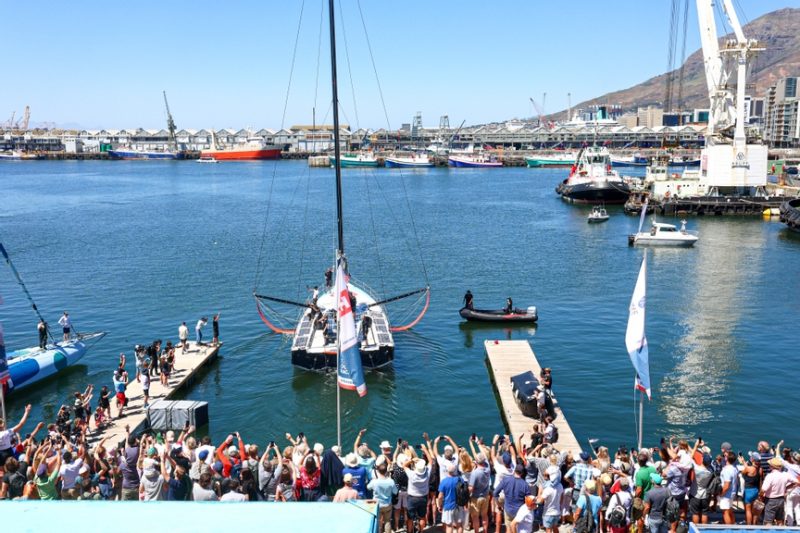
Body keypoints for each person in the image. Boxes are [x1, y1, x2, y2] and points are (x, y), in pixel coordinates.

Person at [761, 456, 800, 525]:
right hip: (781, 500)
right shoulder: (785, 474)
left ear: (771, 466)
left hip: (771, 500)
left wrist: (760, 496)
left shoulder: (770, 476)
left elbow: (763, 490)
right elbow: (797, 482)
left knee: (768, 521)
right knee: (780, 521)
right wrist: (787, 487)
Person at [369, 459, 399, 533]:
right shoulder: (391, 481)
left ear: (378, 471)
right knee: (387, 521)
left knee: (378, 521)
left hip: (377, 504)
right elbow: (395, 492)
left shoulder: (375, 481)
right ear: (386, 471)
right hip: (387, 504)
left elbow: (368, 487)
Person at [438, 463, 465, 533]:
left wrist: (439, 505)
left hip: (448, 506)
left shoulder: (444, 481)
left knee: (449, 526)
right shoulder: (460, 479)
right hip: (459, 505)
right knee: (459, 525)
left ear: (447, 471)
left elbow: (440, 496)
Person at [719, 451, 738, 524]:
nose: (724, 456)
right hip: (732, 493)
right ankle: (732, 525)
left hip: (726, 494)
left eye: (725, 456)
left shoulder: (727, 470)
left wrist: (722, 494)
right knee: (730, 511)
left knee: (725, 512)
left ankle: (729, 529)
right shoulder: (734, 469)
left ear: (727, 459)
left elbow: (726, 485)